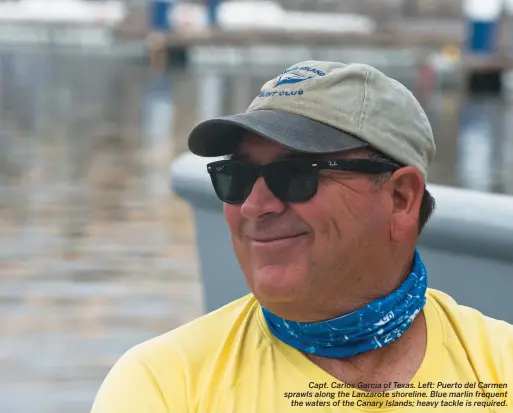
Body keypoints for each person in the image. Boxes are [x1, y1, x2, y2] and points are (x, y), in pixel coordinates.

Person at [91, 61, 513, 412]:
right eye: (236, 177)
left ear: (401, 199)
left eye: (294, 176)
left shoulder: (501, 367)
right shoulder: (165, 386)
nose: (255, 206)